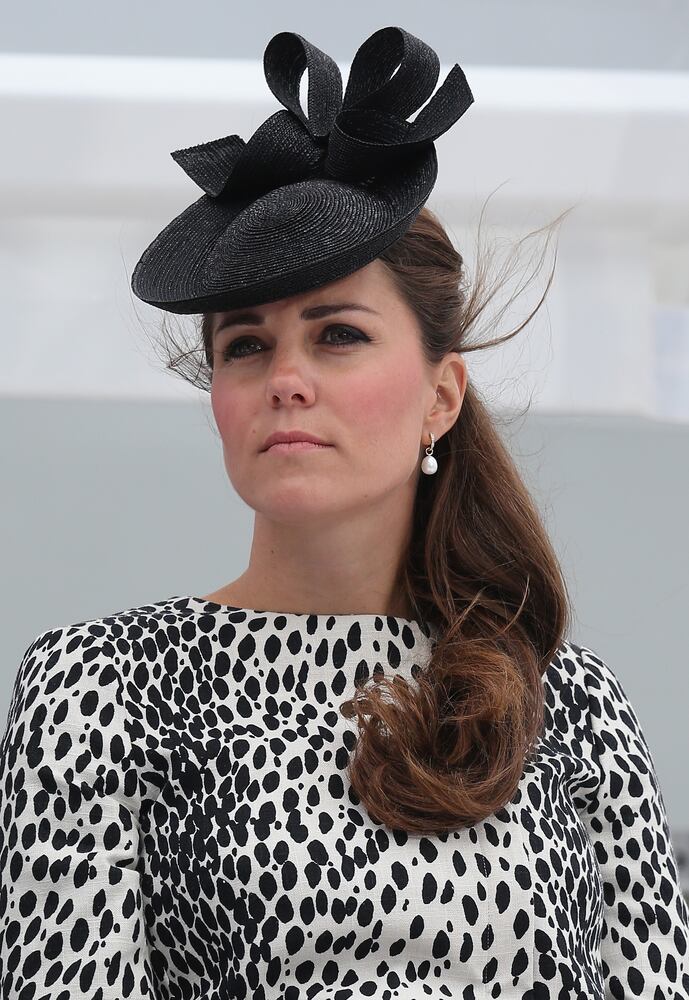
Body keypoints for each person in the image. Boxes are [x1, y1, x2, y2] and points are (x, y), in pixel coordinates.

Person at [1, 25, 687, 1000]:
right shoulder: (98, 690)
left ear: (440, 396)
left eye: (337, 336)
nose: (285, 379)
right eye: (245, 346)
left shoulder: (571, 703)